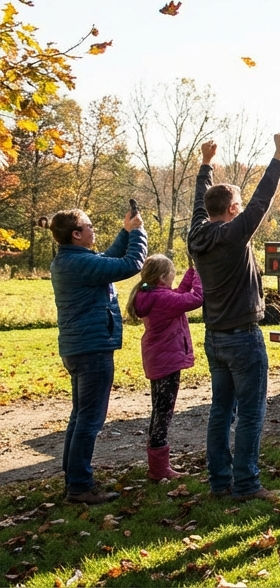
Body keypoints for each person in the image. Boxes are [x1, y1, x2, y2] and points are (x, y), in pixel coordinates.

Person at [188, 134, 280, 502]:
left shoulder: (196, 235)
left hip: (214, 336)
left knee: (220, 411)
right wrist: (278, 156)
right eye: (239, 206)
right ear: (232, 209)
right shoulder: (233, 235)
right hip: (243, 338)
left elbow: (199, 202)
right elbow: (262, 200)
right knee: (250, 412)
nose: (243, 209)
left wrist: (206, 165)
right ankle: (246, 484)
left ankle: (219, 483)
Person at [49, 206, 147, 504]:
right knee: (90, 419)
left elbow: (108, 258)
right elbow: (130, 264)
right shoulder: (79, 263)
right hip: (92, 349)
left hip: (80, 347)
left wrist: (126, 231)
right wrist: (138, 232)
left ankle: (74, 478)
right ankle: (80, 486)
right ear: (76, 234)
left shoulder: (71, 260)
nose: (93, 229)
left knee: (80, 416)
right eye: (89, 226)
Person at [125, 254, 203, 482]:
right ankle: (159, 468)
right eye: (172, 274)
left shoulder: (151, 294)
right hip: (166, 362)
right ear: (162, 277)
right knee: (163, 413)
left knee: (159, 410)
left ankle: (158, 464)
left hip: (158, 360)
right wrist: (200, 274)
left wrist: (192, 271)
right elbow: (196, 298)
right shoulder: (162, 299)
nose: (174, 277)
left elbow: (178, 294)